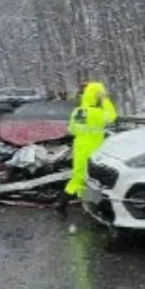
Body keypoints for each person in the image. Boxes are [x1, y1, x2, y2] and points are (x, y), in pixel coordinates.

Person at [56, 81, 117, 218]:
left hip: (80, 148)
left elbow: (72, 129)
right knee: (94, 178)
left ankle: (64, 203)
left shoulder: (79, 112)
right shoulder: (98, 113)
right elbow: (112, 116)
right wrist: (105, 100)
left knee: (79, 177)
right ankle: (92, 206)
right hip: (94, 149)